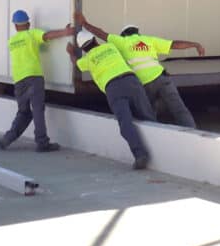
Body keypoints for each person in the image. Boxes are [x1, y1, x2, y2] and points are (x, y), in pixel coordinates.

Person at [74, 11, 204, 128]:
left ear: (124, 35)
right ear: (137, 32)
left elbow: (101, 33)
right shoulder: (149, 40)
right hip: (162, 78)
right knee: (179, 109)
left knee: (148, 114)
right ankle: (192, 132)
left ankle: (155, 137)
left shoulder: (122, 42)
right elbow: (174, 44)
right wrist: (194, 44)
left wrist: (84, 23)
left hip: (143, 84)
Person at [66, 28, 156, 169]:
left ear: (83, 49)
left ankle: (140, 155)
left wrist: (71, 52)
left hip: (113, 88)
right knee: (147, 115)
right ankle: (162, 147)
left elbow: (76, 63)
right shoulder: (111, 47)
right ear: (95, 41)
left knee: (125, 123)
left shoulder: (88, 60)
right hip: (131, 81)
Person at [0, 10, 75, 152]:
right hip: (34, 77)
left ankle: (7, 139)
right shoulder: (31, 34)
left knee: (23, 112)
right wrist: (66, 31)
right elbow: (48, 35)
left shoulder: (12, 41)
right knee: (37, 110)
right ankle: (42, 142)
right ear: (28, 23)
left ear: (15, 26)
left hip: (19, 80)